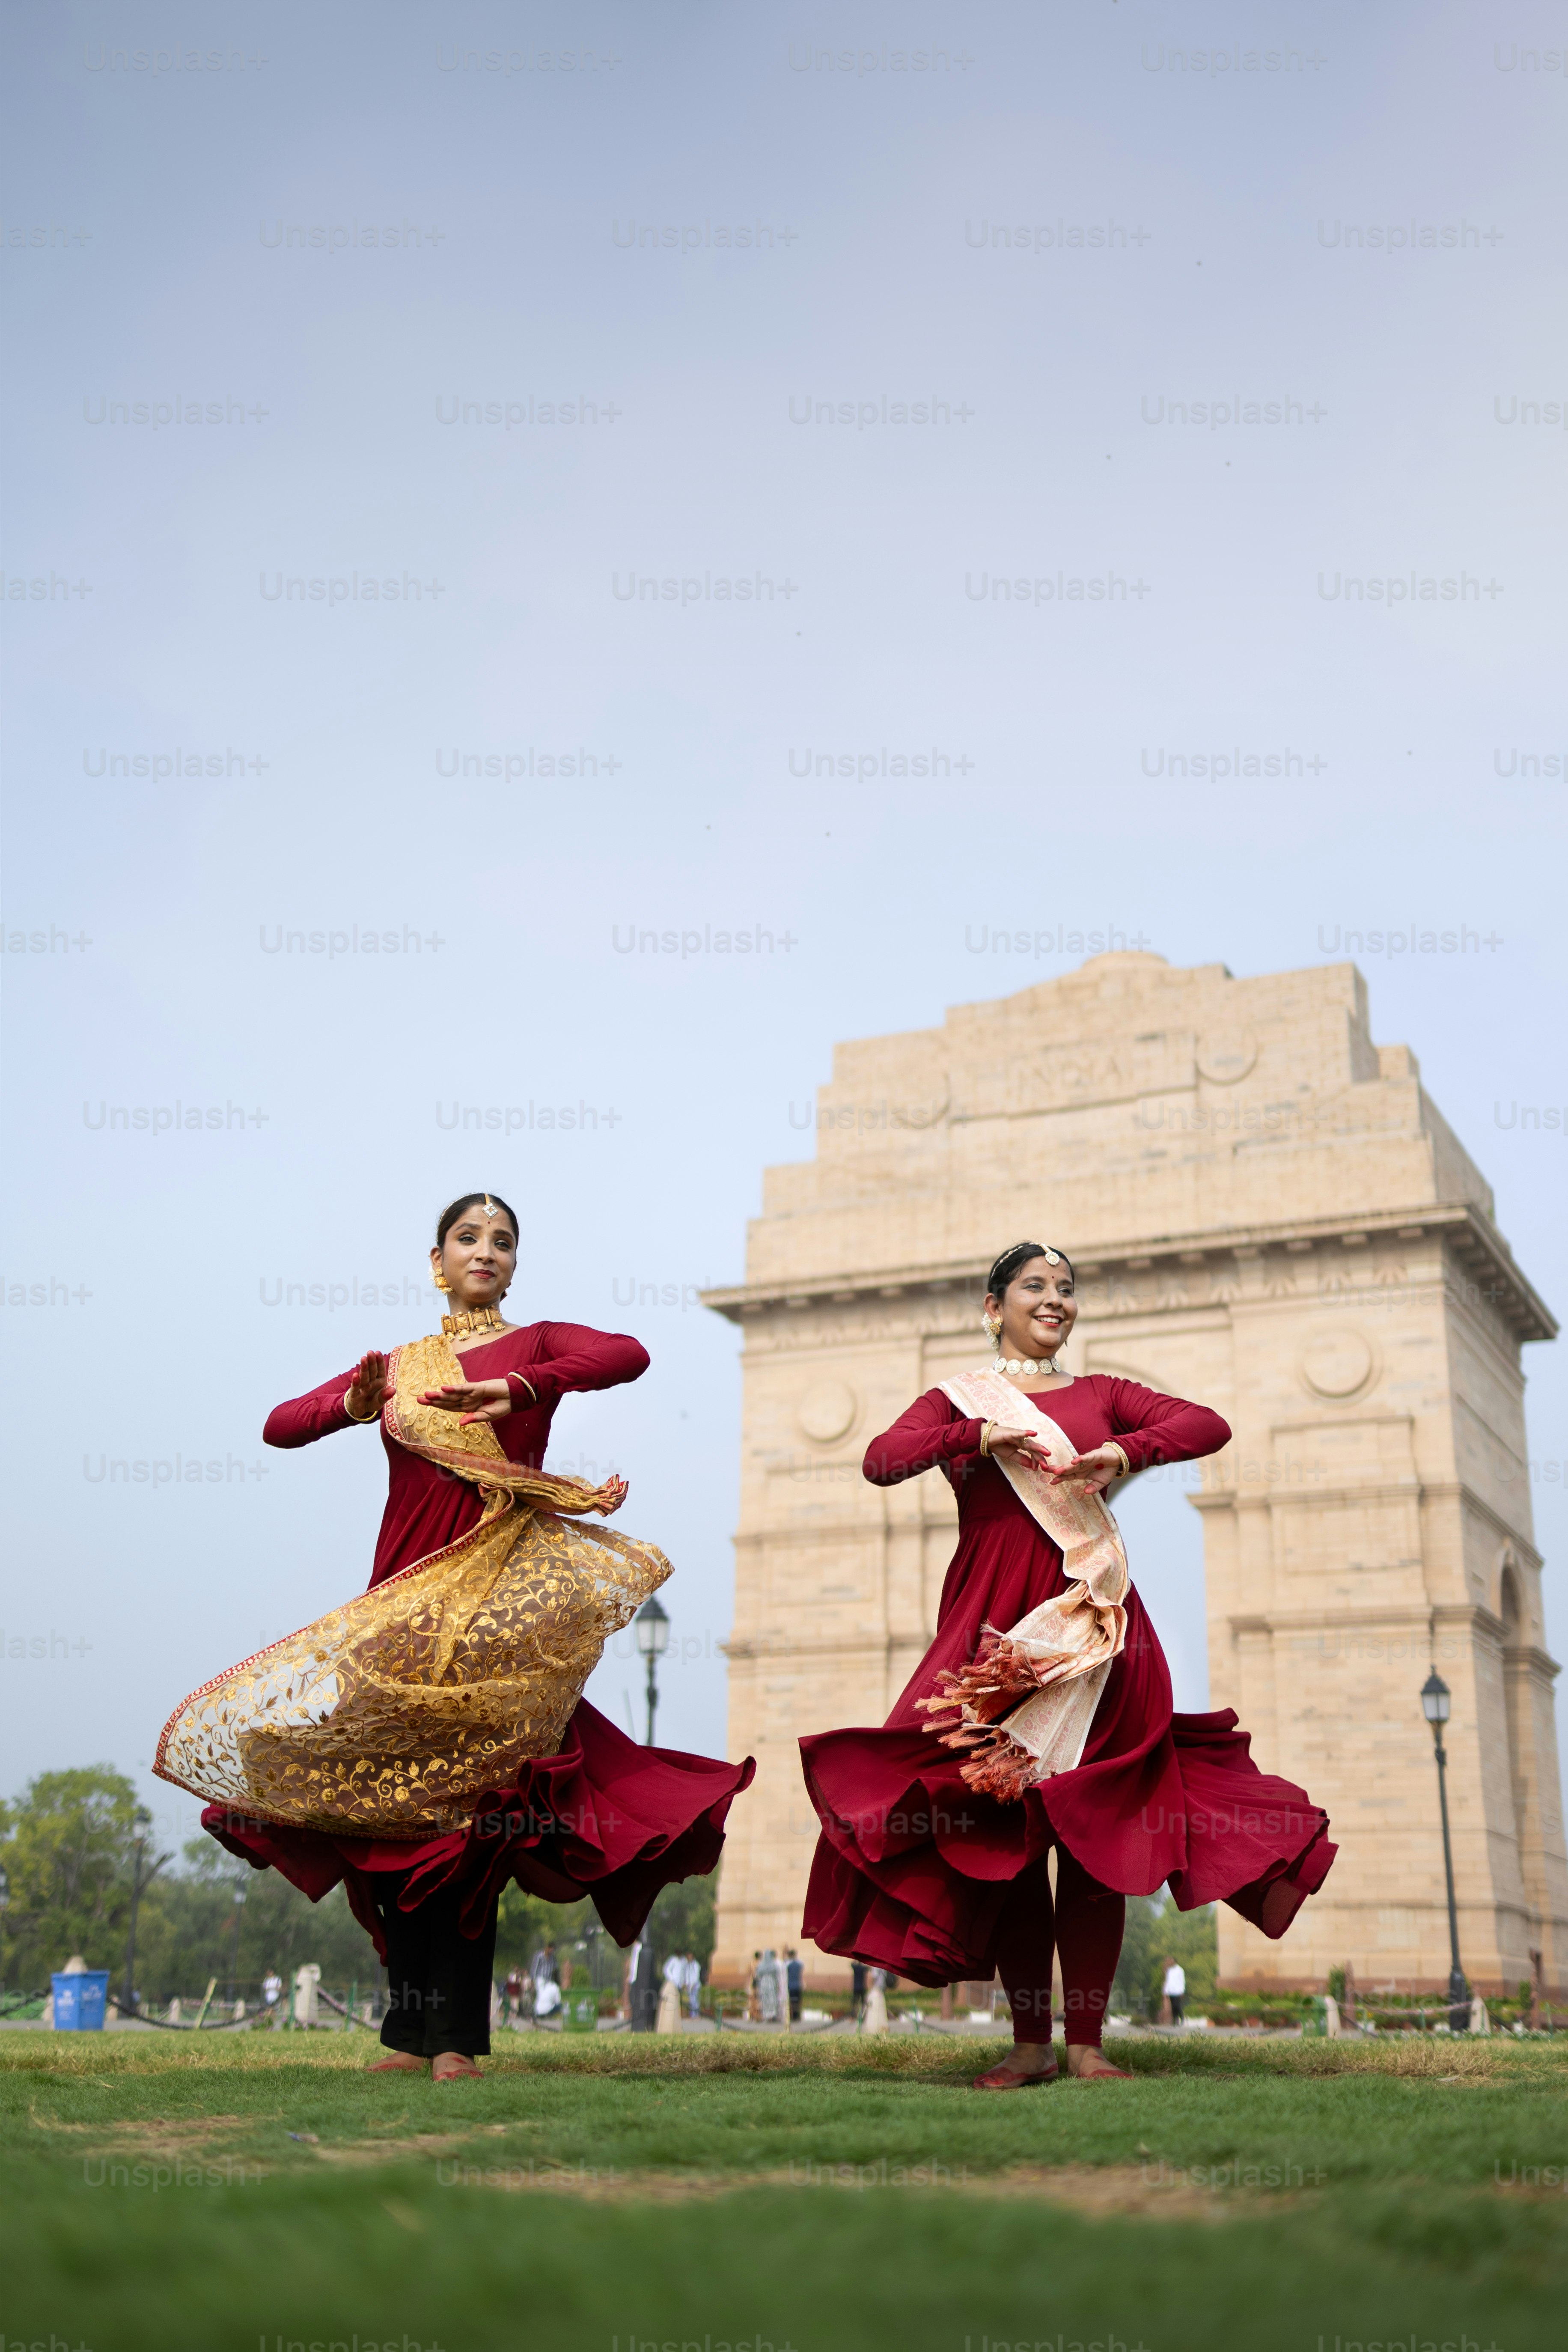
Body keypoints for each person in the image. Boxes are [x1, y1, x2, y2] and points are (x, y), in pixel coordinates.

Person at [156, 1191, 754, 2083]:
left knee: (471, 1825)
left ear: (514, 1262)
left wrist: (515, 1387)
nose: (487, 1250)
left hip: (497, 1611)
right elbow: (280, 1424)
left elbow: (627, 1354)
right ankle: (406, 2031)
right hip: (401, 1608)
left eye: (503, 1240)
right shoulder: (399, 1364)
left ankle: (455, 2040)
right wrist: (353, 1404)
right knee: (393, 1817)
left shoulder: (539, 1341)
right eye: (469, 1238)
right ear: (436, 1259)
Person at [800, 1241, 1336, 2090]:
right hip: (994, 1635)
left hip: (1092, 1626)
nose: (1055, 1300)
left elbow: (1208, 1423)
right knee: (1004, 1833)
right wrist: (977, 1432)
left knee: (1090, 1833)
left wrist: (1126, 1452)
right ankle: (1028, 2042)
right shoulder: (955, 1397)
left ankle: (1085, 2043)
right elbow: (880, 1458)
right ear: (993, 1304)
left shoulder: (1102, 1396)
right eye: (1035, 1287)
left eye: (1066, 1288)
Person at [1163, 1957, 1186, 2027]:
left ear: (1175, 1962)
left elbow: (1182, 1981)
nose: (1171, 1963)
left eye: (1172, 1962)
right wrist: (1166, 1991)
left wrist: (1183, 1990)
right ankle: (1175, 2020)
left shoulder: (1180, 1970)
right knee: (1173, 2007)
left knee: (1177, 2006)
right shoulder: (1169, 1971)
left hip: (1178, 1991)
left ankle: (1181, 2017)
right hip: (1171, 1991)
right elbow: (1168, 1981)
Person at [785, 1947, 804, 2023]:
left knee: (791, 2002)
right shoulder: (800, 1963)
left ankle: (792, 2016)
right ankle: (797, 2016)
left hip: (790, 1985)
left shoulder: (787, 1964)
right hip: (798, 1985)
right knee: (798, 2001)